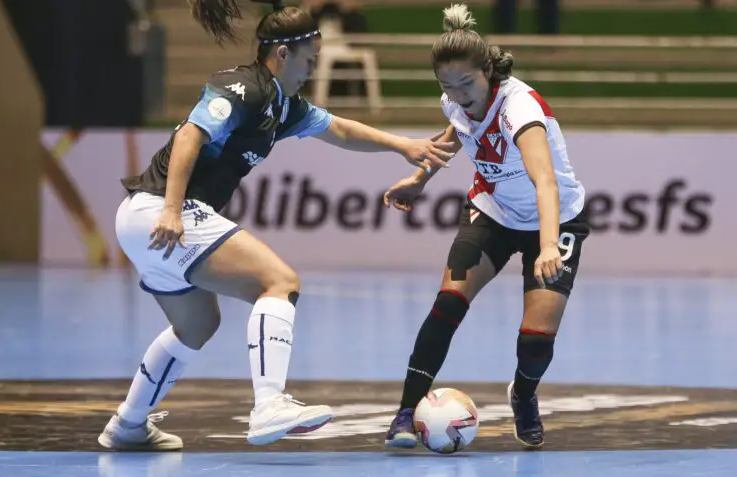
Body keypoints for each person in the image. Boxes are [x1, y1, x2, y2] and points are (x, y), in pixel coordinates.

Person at [97, 0, 455, 451]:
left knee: (197, 325)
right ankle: (269, 404)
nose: (312, 69)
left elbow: (339, 129)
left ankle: (128, 424)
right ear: (283, 54)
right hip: (161, 212)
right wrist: (172, 209)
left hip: (145, 222)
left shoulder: (285, 108)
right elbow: (190, 134)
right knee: (278, 281)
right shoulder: (242, 87)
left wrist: (404, 146)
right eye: (309, 59)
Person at [383, 3, 588, 450]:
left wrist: (549, 244)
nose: (457, 94)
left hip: (556, 218)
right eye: (447, 86)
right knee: (448, 302)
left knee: (538, 336)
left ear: (489, 73)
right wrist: (419, 180)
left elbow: (546, 181)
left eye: (466, 83)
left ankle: (525, 394)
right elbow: (455, 133)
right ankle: (404, 411)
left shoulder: (520, 109)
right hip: (492, 211)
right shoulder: (456, 101)